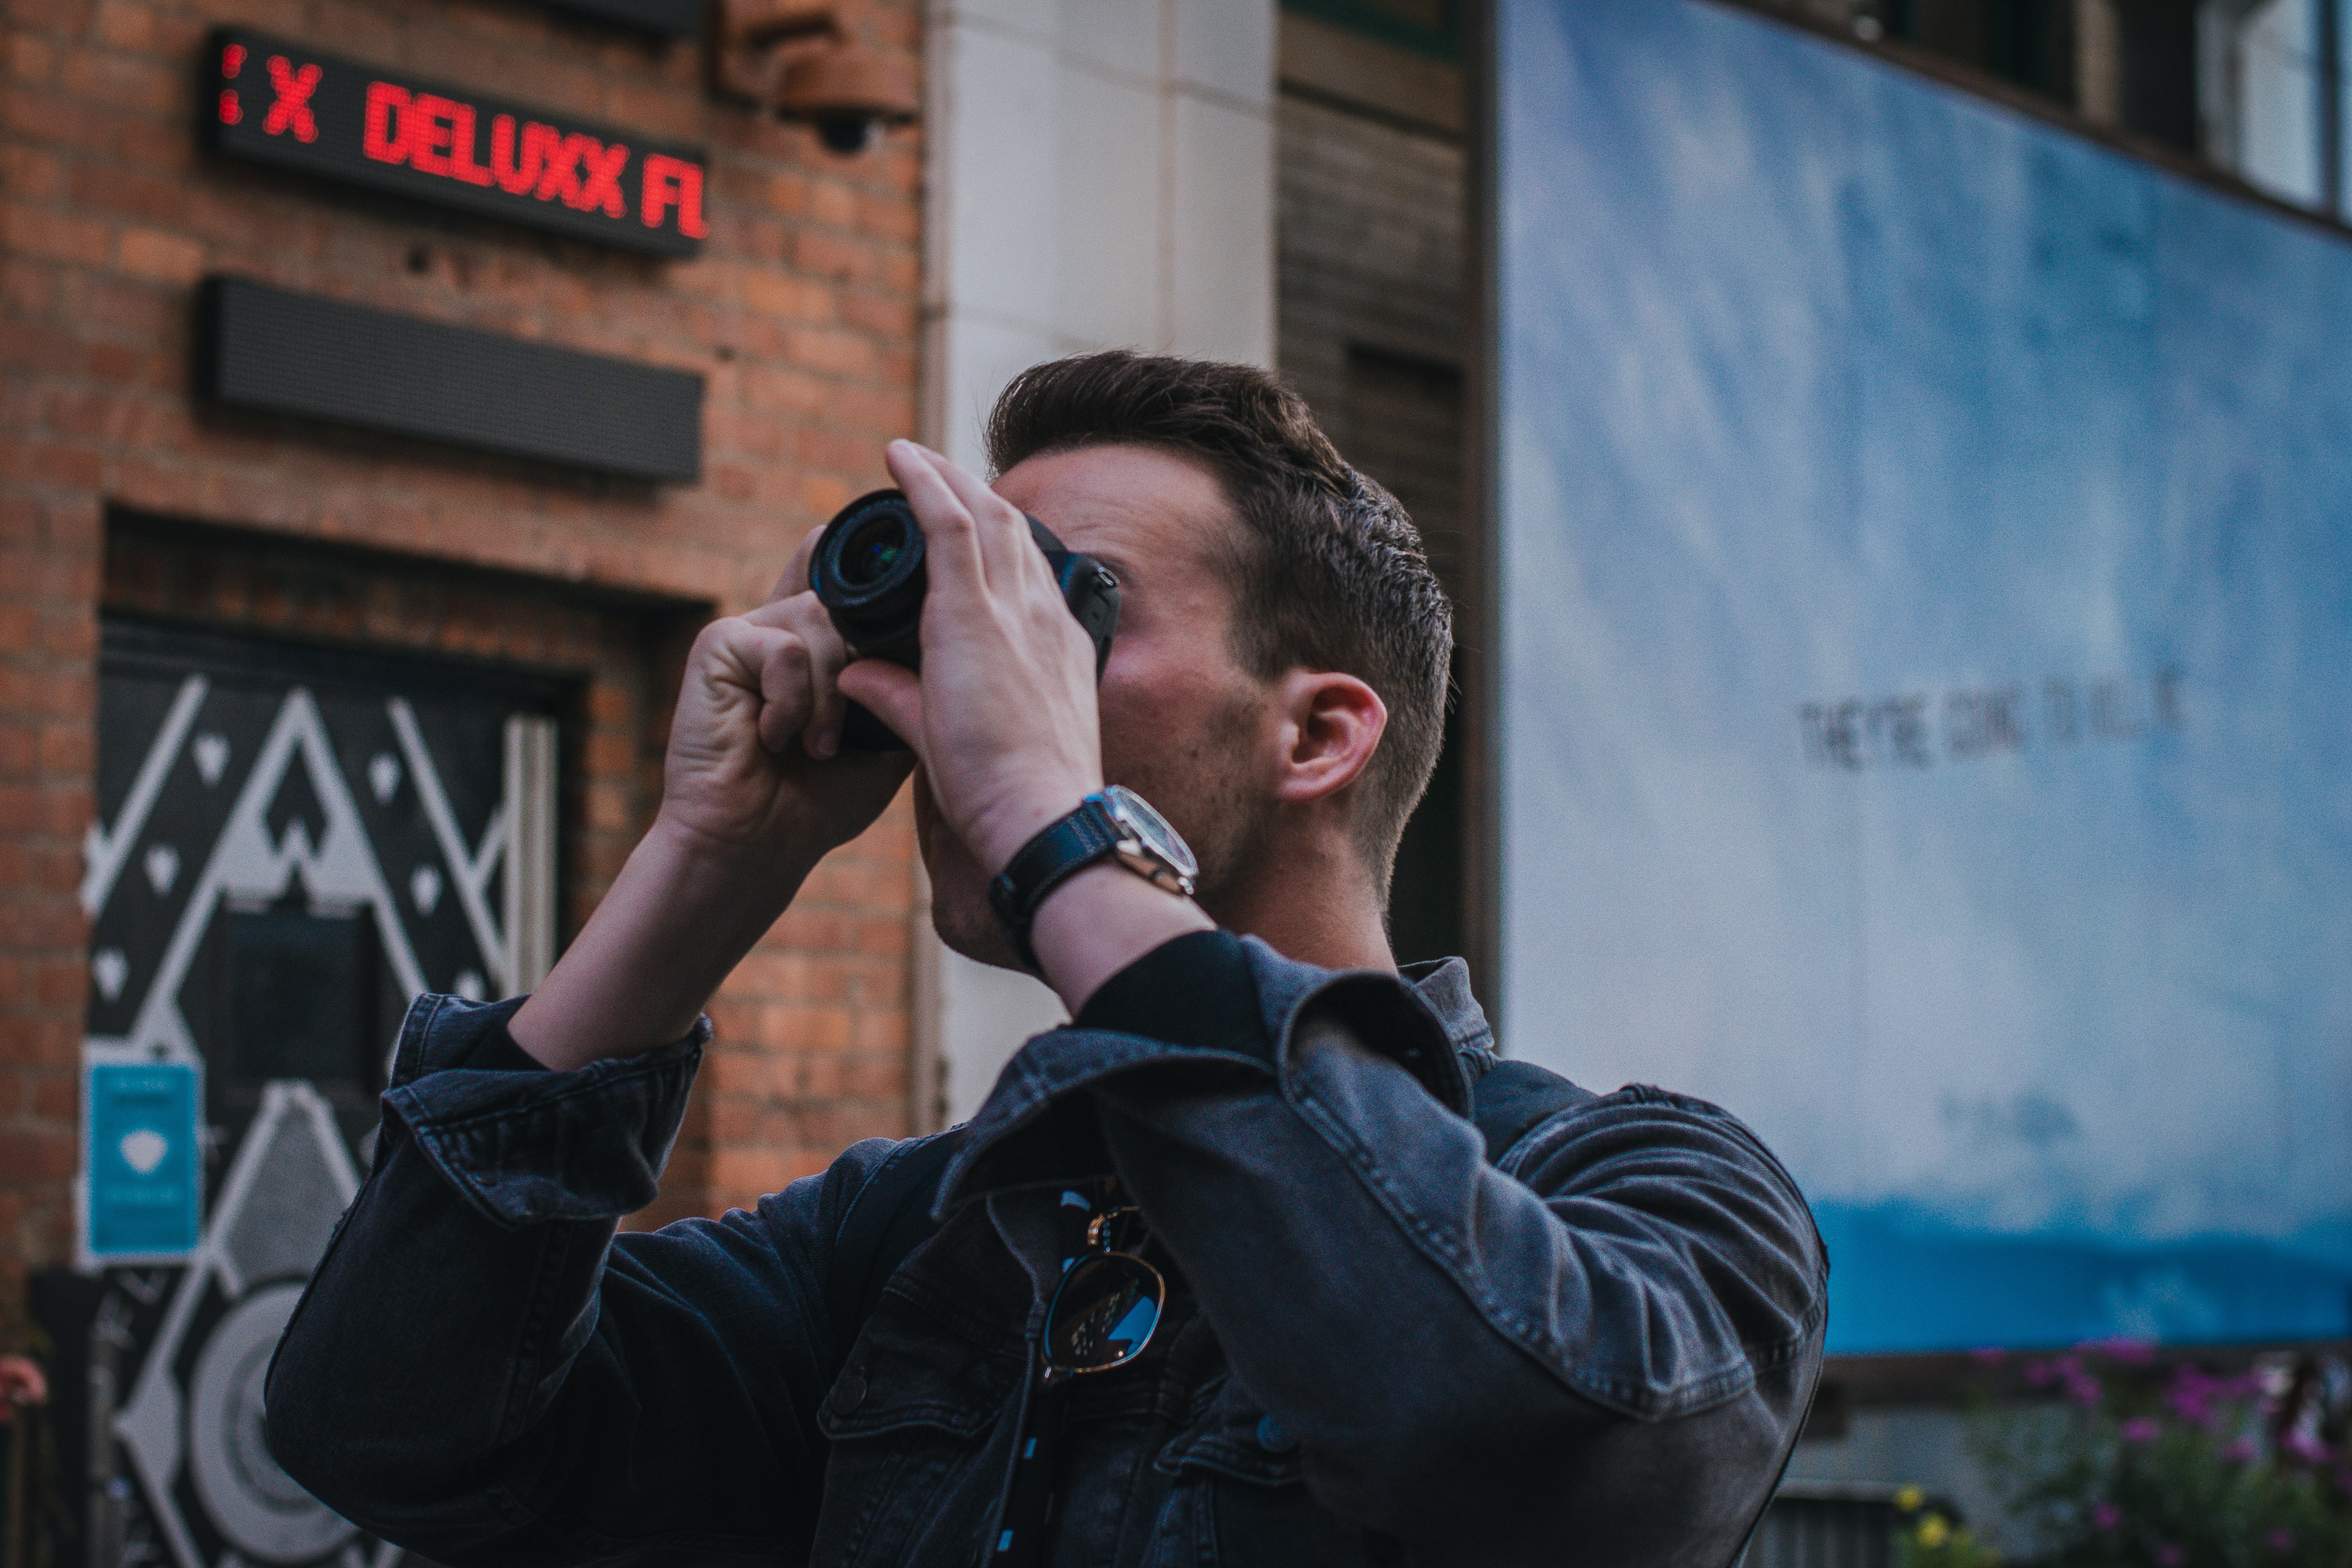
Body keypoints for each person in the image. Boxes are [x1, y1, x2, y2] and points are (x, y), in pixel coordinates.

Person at [265, 353, 1826, 1568]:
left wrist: (1054, 817)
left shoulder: (1638, 1187)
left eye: (1054, 606)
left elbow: (1532, 1451)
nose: (967, 673)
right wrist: (702, 864)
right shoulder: (914, 1239)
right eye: (965, 609)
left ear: (1318, 731)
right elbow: (389, 1433)